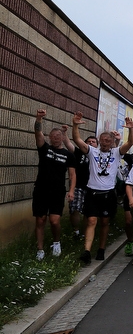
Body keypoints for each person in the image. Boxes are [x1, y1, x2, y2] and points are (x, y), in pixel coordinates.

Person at [71, 111, 133, 264]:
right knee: (92, 221)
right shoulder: (92, 151)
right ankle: (86, 251)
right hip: (92, 192)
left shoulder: (116, 152)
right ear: (99, 140)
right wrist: (75, 125)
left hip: (108, 194)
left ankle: (101, 248)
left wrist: (131, 129)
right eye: (103, 140)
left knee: (105, 222)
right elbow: (77, 140)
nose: (105, 143)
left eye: (108, 140)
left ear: (112, 141)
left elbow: (130, 143)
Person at [33, 109, 75, 260]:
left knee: (54, 221)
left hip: (57, 191)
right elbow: (38, 134)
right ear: (49, 137)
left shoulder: (68, 155)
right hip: (41, 190)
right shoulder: (44, 149)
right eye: (53, 136)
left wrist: (71, 190)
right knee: (40, 219)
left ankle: (56, 242)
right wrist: (39, 119)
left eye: (58, 136)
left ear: (62, 138)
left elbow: (72, 174)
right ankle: (40, 249)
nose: (56, 138)